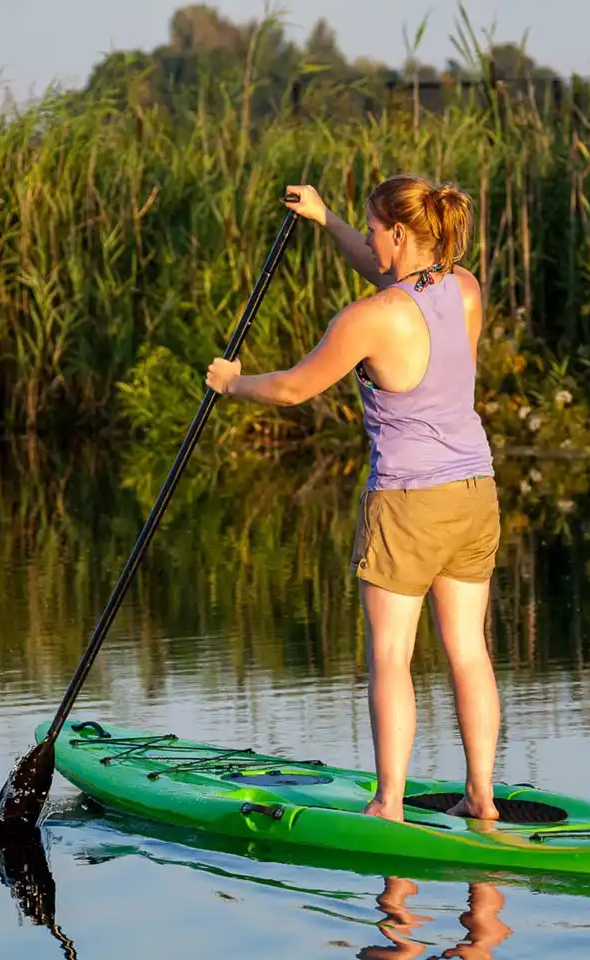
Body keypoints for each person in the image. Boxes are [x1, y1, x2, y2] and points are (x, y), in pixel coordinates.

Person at [204, 175, 502, 823]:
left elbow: (290, 389)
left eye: (372, 226)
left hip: (406, 503)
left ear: (399, 232)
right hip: (476, 493)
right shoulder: (466, 288)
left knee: (391, 655)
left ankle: (388, 806)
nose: (367, 238)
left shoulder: (368, 320)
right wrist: (327, 219)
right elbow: (393, 272)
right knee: (467, 649)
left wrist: (233, 383)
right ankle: (482, 795)